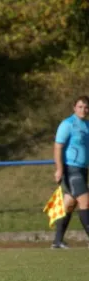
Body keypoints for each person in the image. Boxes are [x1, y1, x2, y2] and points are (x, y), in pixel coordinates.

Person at [52, 95, 89, 249]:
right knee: (85, 201)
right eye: (80, 107)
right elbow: (58, 147)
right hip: (71, 169)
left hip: (82, 169)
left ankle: (57, 241)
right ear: (74, 108)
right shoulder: (68, 124)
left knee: (69, 204)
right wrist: (59, 169)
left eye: (86, 107)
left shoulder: (87, 125)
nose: (83, 110)